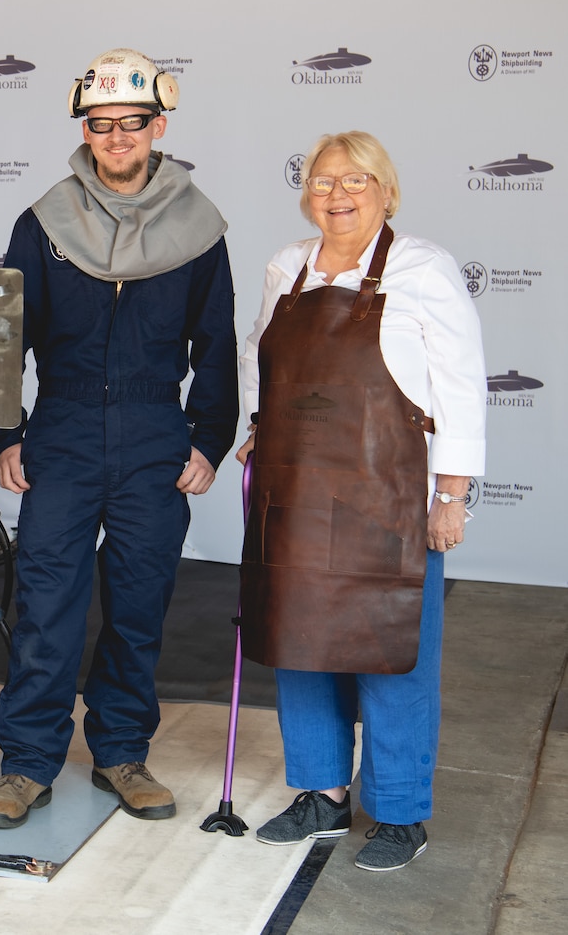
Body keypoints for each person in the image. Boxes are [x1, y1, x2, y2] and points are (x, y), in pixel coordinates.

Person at [0, 48, 238, 829]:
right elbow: (4, 334)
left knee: (138, 603)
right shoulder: (44, 221)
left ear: (159, 126)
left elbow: (217, 345)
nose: (117, 137)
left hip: (157, 432)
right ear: (84, 129)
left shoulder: (199, 228)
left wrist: (208, 438)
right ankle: (26, 764)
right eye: (101, 124)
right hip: (63, 428)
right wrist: (6, 433)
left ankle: (121, 749)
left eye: (132, 123)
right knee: (49, 601)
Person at [236, 131, 486, 872]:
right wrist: (254, 427)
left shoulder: (422, 268)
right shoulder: (287, 265)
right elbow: (260, 356)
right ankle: (321, 792)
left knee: (391, 654)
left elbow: (461, 383)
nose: (336, 194)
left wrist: (453, 492)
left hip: (390, 494)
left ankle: (402, 811)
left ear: (386, 191)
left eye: (354, 181)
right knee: (301, 644)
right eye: (321, 182)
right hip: (299, 487)